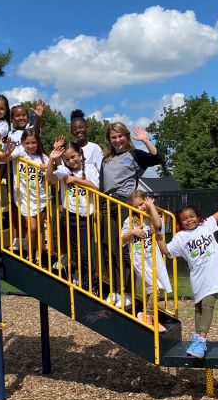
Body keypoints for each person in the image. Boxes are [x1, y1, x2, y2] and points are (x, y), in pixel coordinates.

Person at [158, 202, 218, 358]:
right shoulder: (180, 237)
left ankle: (201, 340)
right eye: (185, 219)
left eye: (192, 216)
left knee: (208, 305)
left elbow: (217, 215)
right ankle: (197, 339)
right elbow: (167, 251)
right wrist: (157, 236)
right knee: (199, 307)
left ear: (198, 217)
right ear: (180, 223)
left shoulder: (205, 226)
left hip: (214, 275)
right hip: (198, 277)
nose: (189, 220)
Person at [100, 124, 161, 307]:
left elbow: (157, 158)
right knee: (110, 248)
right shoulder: (106, 159)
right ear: (109, 140)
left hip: (124, 204)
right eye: (113, 137)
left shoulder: (134, 155)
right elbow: (103, 184)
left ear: (126, 137)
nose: (117, 140)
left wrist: (145, 140)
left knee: (125, 249)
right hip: (106, 205)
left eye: (120, 136)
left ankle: (127, 291)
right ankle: (115, 290)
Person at [47, 139, 100, 290]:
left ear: (80, 154)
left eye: (73, 157)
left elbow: (96, 187)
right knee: (75, 250)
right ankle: (81, 278)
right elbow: (50, 178)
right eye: (67, 159)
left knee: (85, 252)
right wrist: (52, 159)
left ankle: (91, 281)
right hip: (69, 215)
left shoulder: (89, 169)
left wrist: (76, 180)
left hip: (84, 216)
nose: (71, 161)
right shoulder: (63, 170)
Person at [0, 125, 49, 264]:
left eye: (33, 143)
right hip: (24, 196)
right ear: (23, 143)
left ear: (38, 143)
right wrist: (8, 152)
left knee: (40, 227)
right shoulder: (20, 152)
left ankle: (38, 254)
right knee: (32, 227)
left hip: (40, 196)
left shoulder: (43, 158)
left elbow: (51, 175)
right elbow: (3, 159)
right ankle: (29, 254)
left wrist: (47, 168)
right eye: (27, 143)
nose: (30, 146)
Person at [121, 191, 171, 330]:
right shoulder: (129, 221)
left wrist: (151, 206)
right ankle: (147, 315)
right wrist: (132, 232)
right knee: (155, 288)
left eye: (142, 204)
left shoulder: (150, 217)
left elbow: (158, 223)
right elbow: (121, 240)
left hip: (153, 257)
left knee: (157, 288)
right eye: (136, 206)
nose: (140, 208)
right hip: (140, 259)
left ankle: (150, 315)